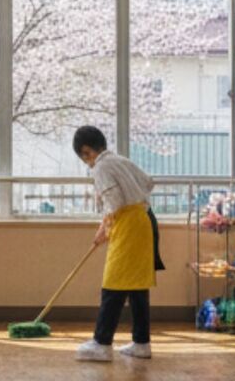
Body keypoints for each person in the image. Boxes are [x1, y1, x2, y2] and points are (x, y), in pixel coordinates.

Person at [72, 126, 164, 362]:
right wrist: (108, 225)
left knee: (114, 282)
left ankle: (102, 343)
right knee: (136, 284)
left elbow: (115, 202)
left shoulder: (101, 166)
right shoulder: (120, 160)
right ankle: (141, 343)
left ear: (86, 151)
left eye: (85, 158)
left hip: (128, 224)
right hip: (143, 220)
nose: (87, 164)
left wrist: (104, 228)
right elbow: (148, 183)